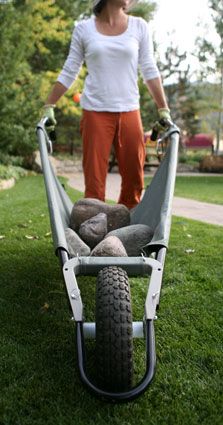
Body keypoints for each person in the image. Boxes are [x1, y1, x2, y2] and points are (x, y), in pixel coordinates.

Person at [42, 0, 171, 209]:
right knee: (94, 183)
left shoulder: (139, 26)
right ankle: (94, 230)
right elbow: (70, 70)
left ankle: (128, 233)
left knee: (134, 181)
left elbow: (149, 68)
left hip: (130, 111)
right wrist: (49, 105)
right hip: (95, 112)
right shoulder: (84, 29)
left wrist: (163, 108)